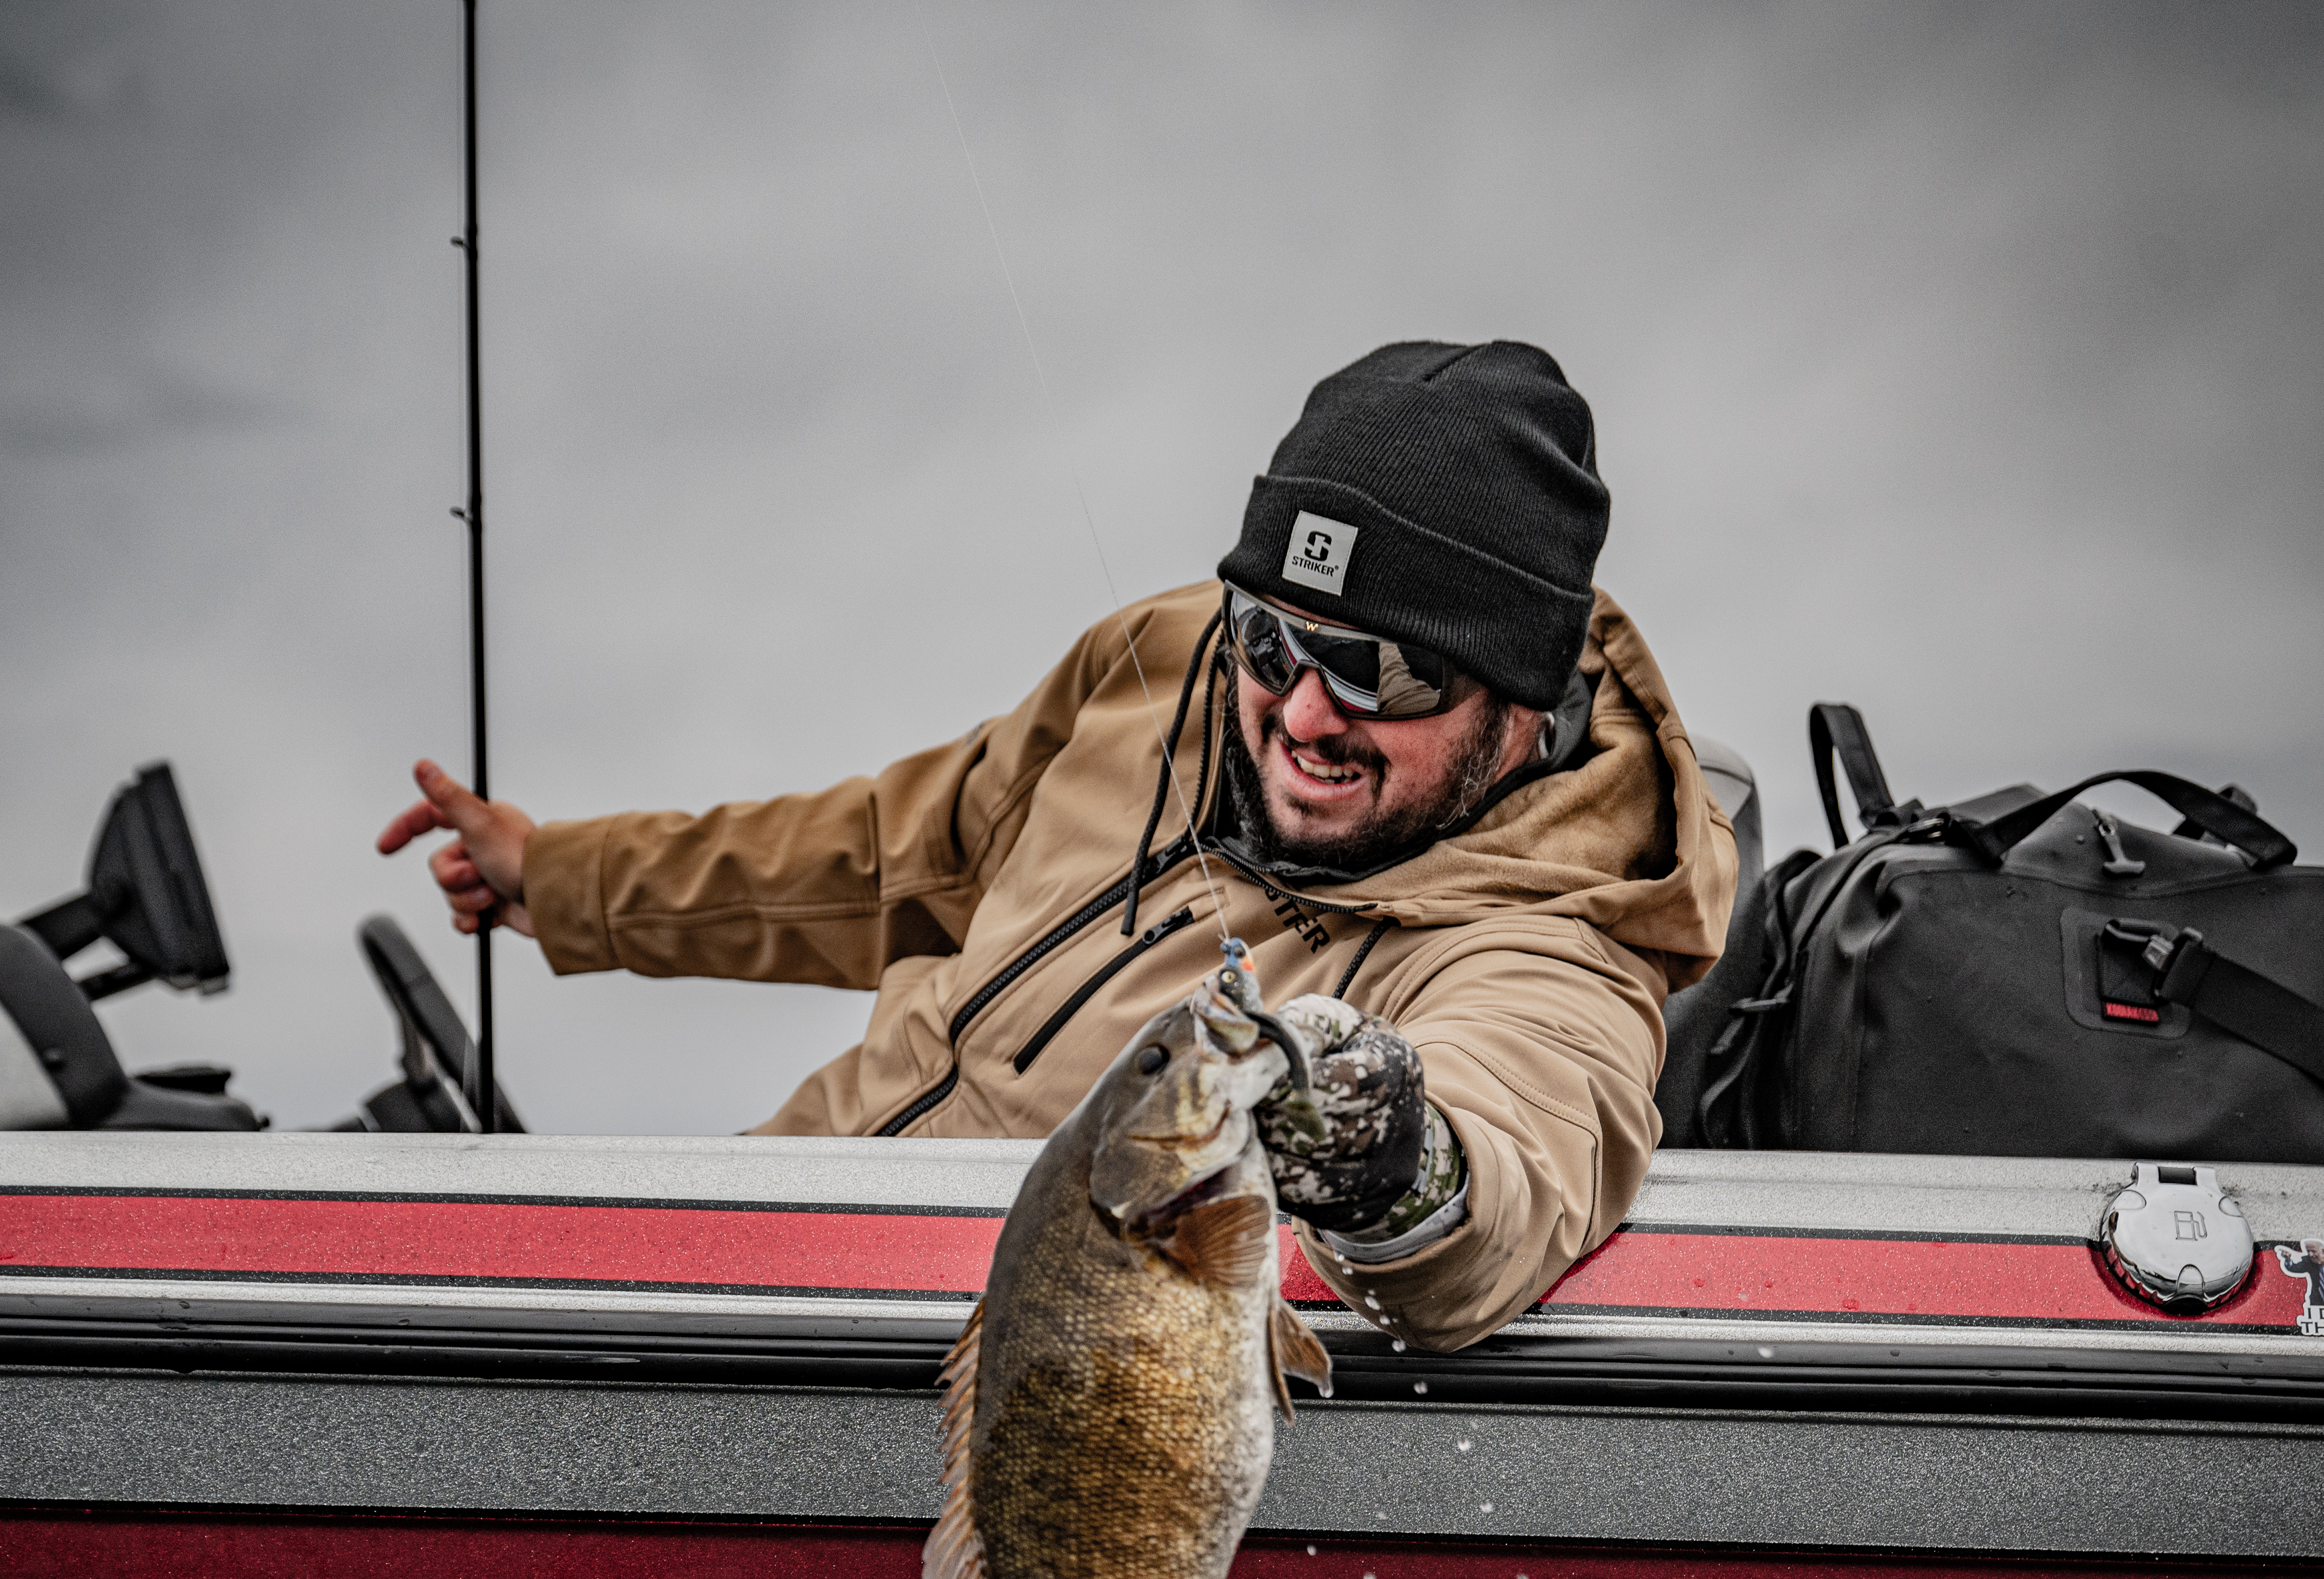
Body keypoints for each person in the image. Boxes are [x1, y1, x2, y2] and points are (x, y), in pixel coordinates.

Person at [380, 342, 1737, 1350]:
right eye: (1274, 635)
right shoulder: (1167, 663)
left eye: (1386, 674)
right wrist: (562, 879)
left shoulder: (1556, 949)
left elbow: (1505, 1177)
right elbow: (900, 853)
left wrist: (1390, 1154)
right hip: (758, 1239)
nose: (1307, 711)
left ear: (1522, 700)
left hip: (983, 1396)